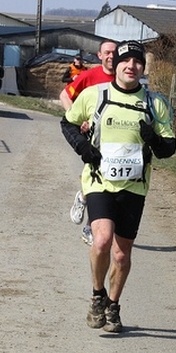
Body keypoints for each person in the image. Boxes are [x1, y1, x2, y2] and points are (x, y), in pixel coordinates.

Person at [60, 40, 176, 333]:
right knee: (101, 240)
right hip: (99, 181)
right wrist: (83, 148)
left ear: (142, 67)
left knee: (122, 254)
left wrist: (153, 138)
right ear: (116, 65)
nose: (131, 66)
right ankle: (97, 294)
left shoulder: (155, 103)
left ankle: (113, 305)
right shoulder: (95, 95)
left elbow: (169, 149)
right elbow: (68, 123)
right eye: (126, 60)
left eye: (137, 62)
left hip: (134, 186)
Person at [60, 39, 117, 246]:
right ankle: (90, 224)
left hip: (116, 137)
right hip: (93, 136)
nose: (112, 56)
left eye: (115, 52)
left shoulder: (124, 77)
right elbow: (65, 95)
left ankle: (84, 200)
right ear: (100, 55)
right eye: (107, 52)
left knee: (106, 180)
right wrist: (77, 118)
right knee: (97, 174)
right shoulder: (89, 76)